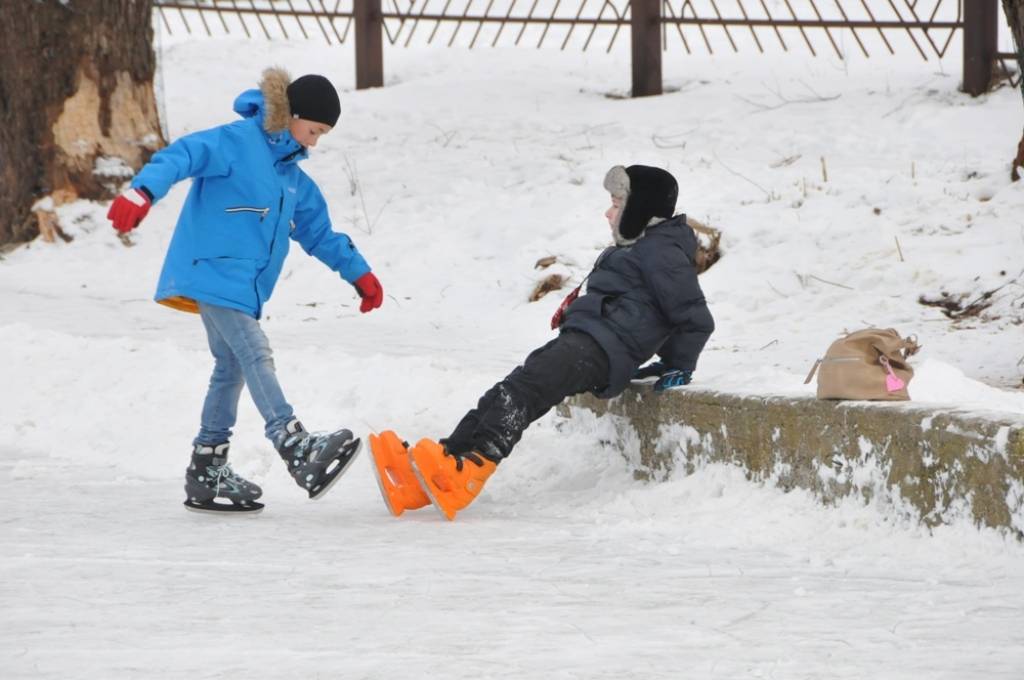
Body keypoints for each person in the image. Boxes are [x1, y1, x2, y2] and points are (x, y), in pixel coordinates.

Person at [107, 68, 383, 514]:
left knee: (231, 366)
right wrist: (142, 192)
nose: (314, 142)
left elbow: (320, 234)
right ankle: (293, 444)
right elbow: (181, 156)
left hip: (242, 286)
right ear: (293, 114)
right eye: (313, 130)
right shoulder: (235, 142)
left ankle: (206, 467)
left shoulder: (293, 179)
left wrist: (359, 274)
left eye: (322, 135)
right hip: (211, 271)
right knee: (255, 352)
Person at [369, 164, 714, 520]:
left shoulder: (662, 253)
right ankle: (440, 465)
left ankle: (470, 473)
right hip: (587, 341)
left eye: (616, 203)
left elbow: (693, 316)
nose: (608, 212)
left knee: (523, 393)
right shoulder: (640, 248)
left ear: (641, 209)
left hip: (603, 351)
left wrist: (679, 364)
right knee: (504, 391)